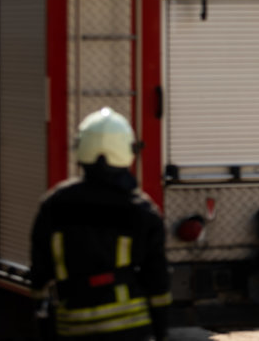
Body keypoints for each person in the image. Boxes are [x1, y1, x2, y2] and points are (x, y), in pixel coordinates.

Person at [30, 108, 171, 340]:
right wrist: (160, 331)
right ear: (127, 150)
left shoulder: (54, 204)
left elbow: (40, 274)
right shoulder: (141, 210)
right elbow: (158, 281)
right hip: (130, 329)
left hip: (72, 325)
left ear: (81, 148)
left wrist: (44, 325)